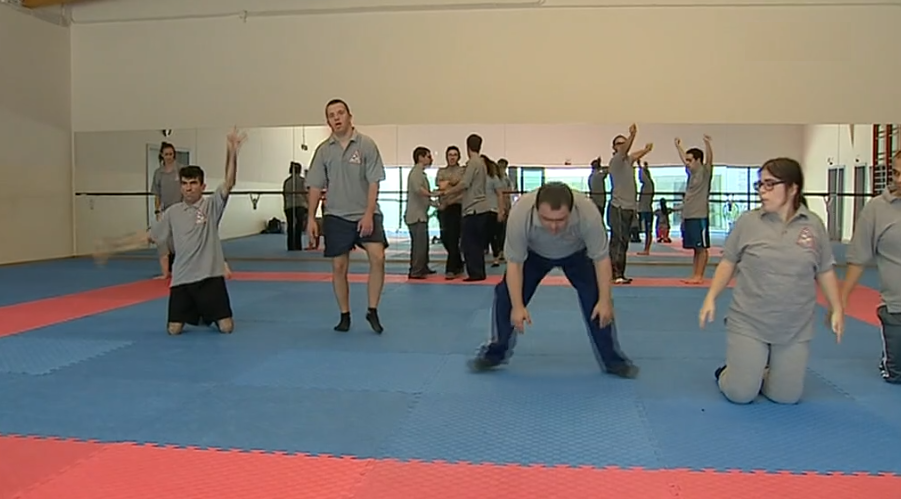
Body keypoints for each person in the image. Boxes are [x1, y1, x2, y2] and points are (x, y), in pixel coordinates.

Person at [699, 158, 844, 404]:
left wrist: (837, 308)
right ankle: (730, 373)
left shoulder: (813, 225)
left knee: (786, 397)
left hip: (794, 326)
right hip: (750, 321)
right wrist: (711, 297)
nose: (762, 191)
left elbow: (825, 270)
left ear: (793, 188)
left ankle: (761, 371)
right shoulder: (748, 222)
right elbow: (728, 262)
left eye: (769, 185)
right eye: (760, 185)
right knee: (741, 394)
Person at [468, 182, 639, 378]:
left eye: (561, 220)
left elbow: (601, 260)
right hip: (534, 255)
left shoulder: (588, 213)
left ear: (572, 210)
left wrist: (605, 300)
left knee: (598, 303)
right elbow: (514, 264)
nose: (554, 227)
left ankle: (613, 361)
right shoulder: (521, 213)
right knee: (505, 296)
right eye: (547, 219)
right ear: (536, 209)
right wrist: (517, 306)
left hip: (576, 254)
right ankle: (495, 354)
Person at [306, 99, 388, 334]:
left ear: (350, 116)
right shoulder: (324, 150)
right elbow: (314, 185)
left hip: (366, 212)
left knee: (378, 256)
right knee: (339, 265)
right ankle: (344, 314)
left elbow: (374, 182)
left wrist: (369, 214)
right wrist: (311, 218)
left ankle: (372, 309)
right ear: (328, 121)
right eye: (332, 115)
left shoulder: (366, 145)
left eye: (340, 113)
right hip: (336, 215)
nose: (337, 118)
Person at [841, 151, 901, 384]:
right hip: (896, 308)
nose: (899, 180)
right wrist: (842, 298)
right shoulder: (877, 209)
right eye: (896, 173)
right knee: (896, 376)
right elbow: (859, 257)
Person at [440, 134, 491, 281]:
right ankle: (478, 272)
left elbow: (464, 184)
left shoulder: (472, 163)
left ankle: (475, 273)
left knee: (469, 243)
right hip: (480, 207)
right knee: (476, 243)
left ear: (467, 147)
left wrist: (447, 191)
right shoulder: (481, 163)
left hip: (473, 208)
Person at [607, 125, 654, 284]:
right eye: (619, 143)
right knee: (618, 241)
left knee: (623, 241)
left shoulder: (627, 161)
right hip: (618, 207)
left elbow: (634, 154)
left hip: (628, 208)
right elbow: (626, 151)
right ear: (614, 147)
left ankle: (618, 273)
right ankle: (615, 274)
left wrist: (646, 150)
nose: (622, 145)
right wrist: (632, 135)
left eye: (623, 142)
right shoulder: (616, 161)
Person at [674, 135, 714, 284]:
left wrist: (707, 144)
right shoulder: (691, 174)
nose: (687, 163)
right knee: (694, 249)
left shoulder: (705, 172)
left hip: (700, 216)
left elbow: (709, 160)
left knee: (701, 247)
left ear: (698, 160)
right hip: (689, 215)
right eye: (687, 160)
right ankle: (695, 274)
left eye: (690, 160)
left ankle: (700, 276)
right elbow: (683, 159)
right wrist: (678, 146)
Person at [405, 146, 438, 279]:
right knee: (419, 245)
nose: (431, 159)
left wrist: (434, 203)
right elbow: (419, 190)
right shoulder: (416, 173)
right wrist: (432, 194)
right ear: (420, 157)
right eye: (428, 156)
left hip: (421, 214)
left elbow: (423, 196)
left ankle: (422, 267)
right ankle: (416, 270)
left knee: (423, 244)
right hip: (416, 216)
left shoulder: (421, 173)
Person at [150, 141, 184, 272]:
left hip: (180, 208)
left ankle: (181, 266)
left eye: (171, 154)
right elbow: (156, 194)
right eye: (166, 154)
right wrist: (157, 210)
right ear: (162, 155)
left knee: (179, 238)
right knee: (164, 239)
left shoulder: (181, 169)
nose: (169, 156)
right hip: (165, 210)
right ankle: (168, 268)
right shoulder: (158, 173)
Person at [436, 146, 466, 279]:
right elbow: (441, 186)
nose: (452, 157)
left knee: (454, 238)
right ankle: (459, 263)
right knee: (445, 238)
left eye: (455, 155)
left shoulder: (463, 171)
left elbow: (463, 188)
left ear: (458, 157)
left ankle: (451, 269)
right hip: (443, 207)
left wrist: (450, 186)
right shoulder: (441, 171)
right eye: (450, 155)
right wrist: (452, 184)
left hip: (456, 207)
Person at [283, 161, 308, 251]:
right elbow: (306, 193)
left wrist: (285, 206)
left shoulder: (287, 181)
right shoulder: (302, 181)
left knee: (290, 226)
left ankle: (290, 246)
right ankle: (298, 246)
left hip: (289, 206)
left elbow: (284, 195)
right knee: (298, 226)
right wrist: (309, 205)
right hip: (300, 205)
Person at [636, 162, 655, 255]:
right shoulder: (646, 185)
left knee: (648, 231)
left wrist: (640, 166)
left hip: (646, 210)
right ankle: (646, 249)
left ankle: (647, 249)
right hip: (644, 209)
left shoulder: (648, 184)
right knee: (646, 231)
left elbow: (643, 176)